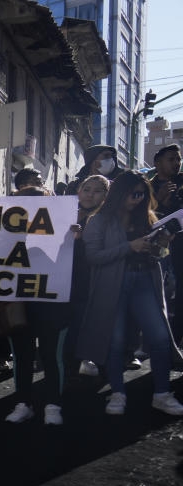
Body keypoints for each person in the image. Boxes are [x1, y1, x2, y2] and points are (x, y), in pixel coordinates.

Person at [77, 172, 183, 416]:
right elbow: (93, 257)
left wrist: (162, 245)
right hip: (113, 284)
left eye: (142, 195)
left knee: (159, 337)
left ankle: (162, 393)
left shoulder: (147, 217)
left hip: (144, 280)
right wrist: (129, 246)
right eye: (133, 194)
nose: (137, 200)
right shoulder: (99, 220)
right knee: (114, 341)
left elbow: (158, 255)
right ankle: (117, 392)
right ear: (119, 194)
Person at [1, 186, 73, 425]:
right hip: (19, 303)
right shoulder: (4, 234)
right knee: (22, 355)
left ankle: (53, 404)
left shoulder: (65, 231)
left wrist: (75, 240)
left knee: (51, 356)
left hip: (52, 304)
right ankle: (24, 403)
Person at [67, 175, 109, 377]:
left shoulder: (105, 220)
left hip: (87, 281)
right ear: (78, 191)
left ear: (105, 197)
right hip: (61, 282)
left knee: (79, 325)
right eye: (87, 189)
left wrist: (83, 239)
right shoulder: (63, 213)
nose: (90, 194)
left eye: (98, 190)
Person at [149, 145, 183, 341]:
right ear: (157, 163)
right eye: (171, 159)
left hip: (180, 246)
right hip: (157, 246)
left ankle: (176, 339)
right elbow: (143, 216)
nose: (176, 163)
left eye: (178, 159)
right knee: (157, 290)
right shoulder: (146, 185)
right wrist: (159, 200)